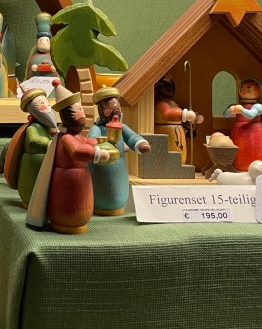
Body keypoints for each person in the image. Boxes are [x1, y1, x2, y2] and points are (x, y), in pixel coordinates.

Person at [26, 84, 112, 234]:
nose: (82, 113)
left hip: (79, 178)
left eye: (81, 109)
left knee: (81, 203)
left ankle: (78, 220)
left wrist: (94, 142)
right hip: (68, 180)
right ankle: (65, 221)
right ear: (68, 116)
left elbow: (83, 142)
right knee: (71, 203)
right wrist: (96, 153)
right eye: (78, 110)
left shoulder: (74, 136)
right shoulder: (66, 138)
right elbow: (77, 151)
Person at [87, 85, 150, 215]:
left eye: (116, 104)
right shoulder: (97, 129)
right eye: (108, 105)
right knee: (101, 189)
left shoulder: (121, 127)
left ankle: (118, 206)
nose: (115, 108)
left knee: (119, 188)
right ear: (101, 109)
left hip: (119, 167)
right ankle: (99, 206)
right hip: (101, 167)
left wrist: (140, 144)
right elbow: (92, 142)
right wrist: (99, 150)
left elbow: (131, 136)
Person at [4, 87, 58, 207]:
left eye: (48, 103)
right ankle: (30, 199)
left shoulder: (48, 128)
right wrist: (50, 142)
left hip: (46, 161)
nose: (47, 107)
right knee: (34, 185)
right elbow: (33, 141)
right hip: (33, 163)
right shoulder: (33, 128)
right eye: (42, 103)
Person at [154, 73, 203, 164]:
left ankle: (179, 164)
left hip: (177, 130)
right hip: (167, 131)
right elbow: (168, 114)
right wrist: (185, 114)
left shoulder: (172, 102)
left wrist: (194, 117)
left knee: (179, 153)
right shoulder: (160, 103)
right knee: (171, 154)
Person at [224, 78, 262, 171]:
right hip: (238, 131)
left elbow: (251, 115)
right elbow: (225, 115)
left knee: (254, 150)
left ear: (258, 91)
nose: (244, 89)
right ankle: (239, 165)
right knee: (240, 151)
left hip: (254, 131)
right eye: (242, 87)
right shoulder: (238, 106)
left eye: (248, 87)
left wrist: (241, 110)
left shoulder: (258, 106)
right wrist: (230, 110)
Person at [25, 12, 58, 79]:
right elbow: (31, 70)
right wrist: (35, 67)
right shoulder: (34, 58)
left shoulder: (52, 57)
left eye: (47, 41)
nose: (44, 43)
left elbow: (55, 70)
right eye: (41, 41)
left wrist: (52, 68)